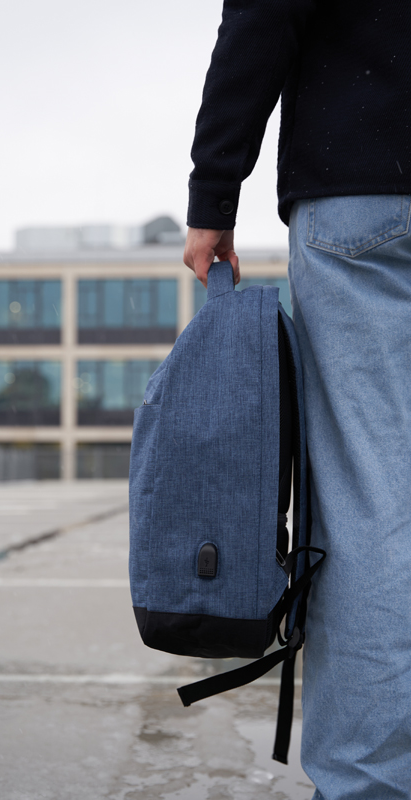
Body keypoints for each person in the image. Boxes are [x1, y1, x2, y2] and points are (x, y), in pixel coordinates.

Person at [183, 3, 411, 798]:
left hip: (363, 186)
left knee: (368, 498)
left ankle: (368, 783)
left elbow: (264, 13)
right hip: (363, 190)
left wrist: (213, 193)